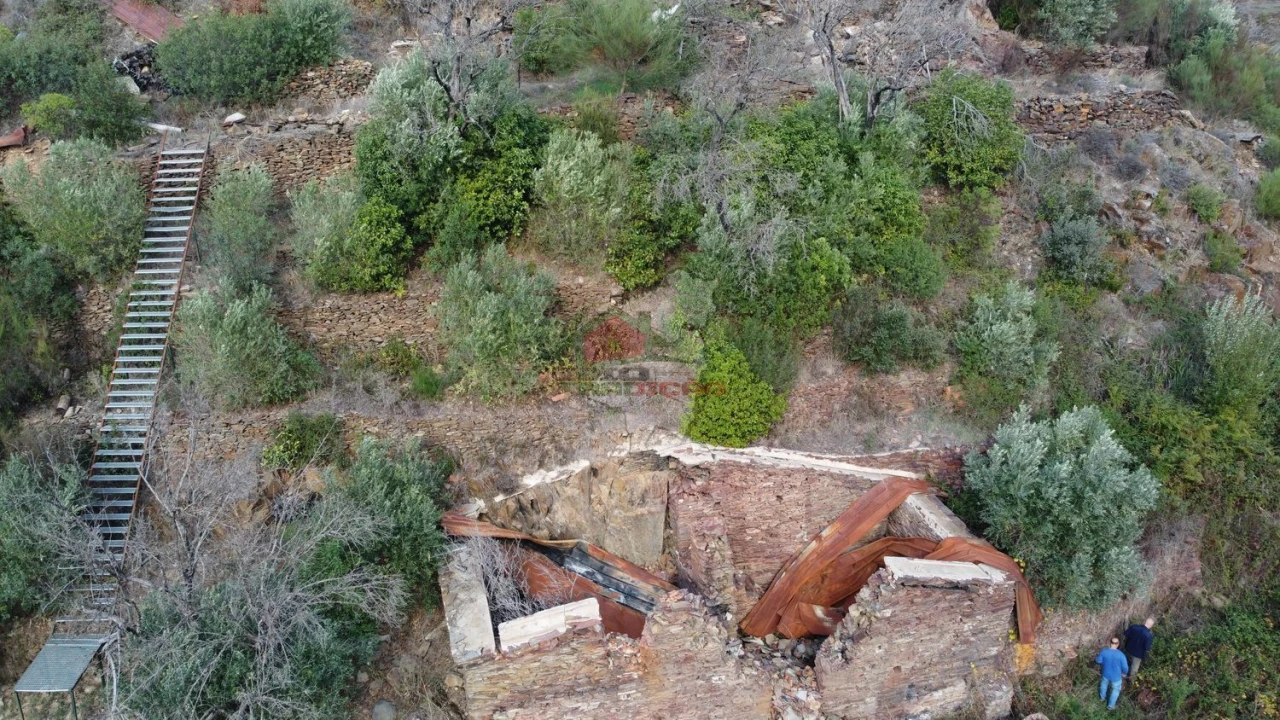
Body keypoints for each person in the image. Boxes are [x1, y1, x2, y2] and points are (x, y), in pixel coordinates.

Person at [1095, 637, 1129, 711]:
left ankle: (1102, 698)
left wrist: (1098, 657)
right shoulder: (1121, 655)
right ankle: (1110, 706)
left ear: (1110, 643)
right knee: (1115, 690)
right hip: (1116, 677)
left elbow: (1098, 661)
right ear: (1118, 644)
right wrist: (1124, 673)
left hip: (1106, 673)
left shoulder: (1104, 652)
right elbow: (1125, 667)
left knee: (1104, 684)